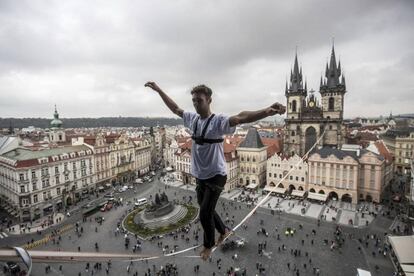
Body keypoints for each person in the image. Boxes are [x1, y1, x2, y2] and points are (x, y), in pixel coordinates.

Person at [145, 81, 285, 260]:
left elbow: (242, 117)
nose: (196, 104)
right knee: (207, 208)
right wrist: (158, 90)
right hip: (200, 175)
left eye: (200, 101)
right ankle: (224, 230)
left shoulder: (217, 122)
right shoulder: (192, 119)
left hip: (216, 175)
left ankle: (208, 245)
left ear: (209, 100)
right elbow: (175, 108)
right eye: (194, 101)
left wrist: (266, 111)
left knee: (204, 213)